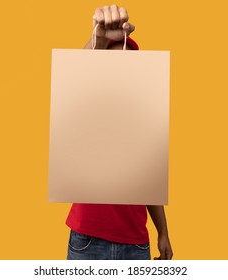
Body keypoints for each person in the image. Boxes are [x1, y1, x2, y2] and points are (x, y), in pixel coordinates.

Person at [66, 5, 173, 260]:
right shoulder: (86, 112)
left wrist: (163, 233)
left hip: (135, 243)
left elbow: (150, 184)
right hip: (87, 241)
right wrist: (96, 42)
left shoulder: (145, 124)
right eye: (111, 61)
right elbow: (72, 85)